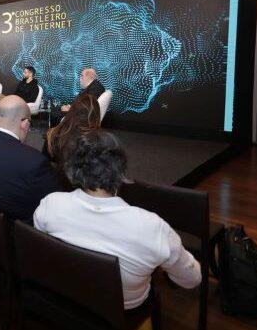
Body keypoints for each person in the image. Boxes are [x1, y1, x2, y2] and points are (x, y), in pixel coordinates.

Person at [34, 130, 201, 309]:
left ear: (72, 169)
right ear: (120, 171)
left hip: (68, 300)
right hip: (124, 311)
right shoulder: (152, 228)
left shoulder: (50, 204)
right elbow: (192, 279)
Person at [44, 94, 100, 164]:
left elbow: (43, 163)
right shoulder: (99, 143)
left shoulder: (52, 135)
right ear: (96, 117)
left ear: (71, 112)